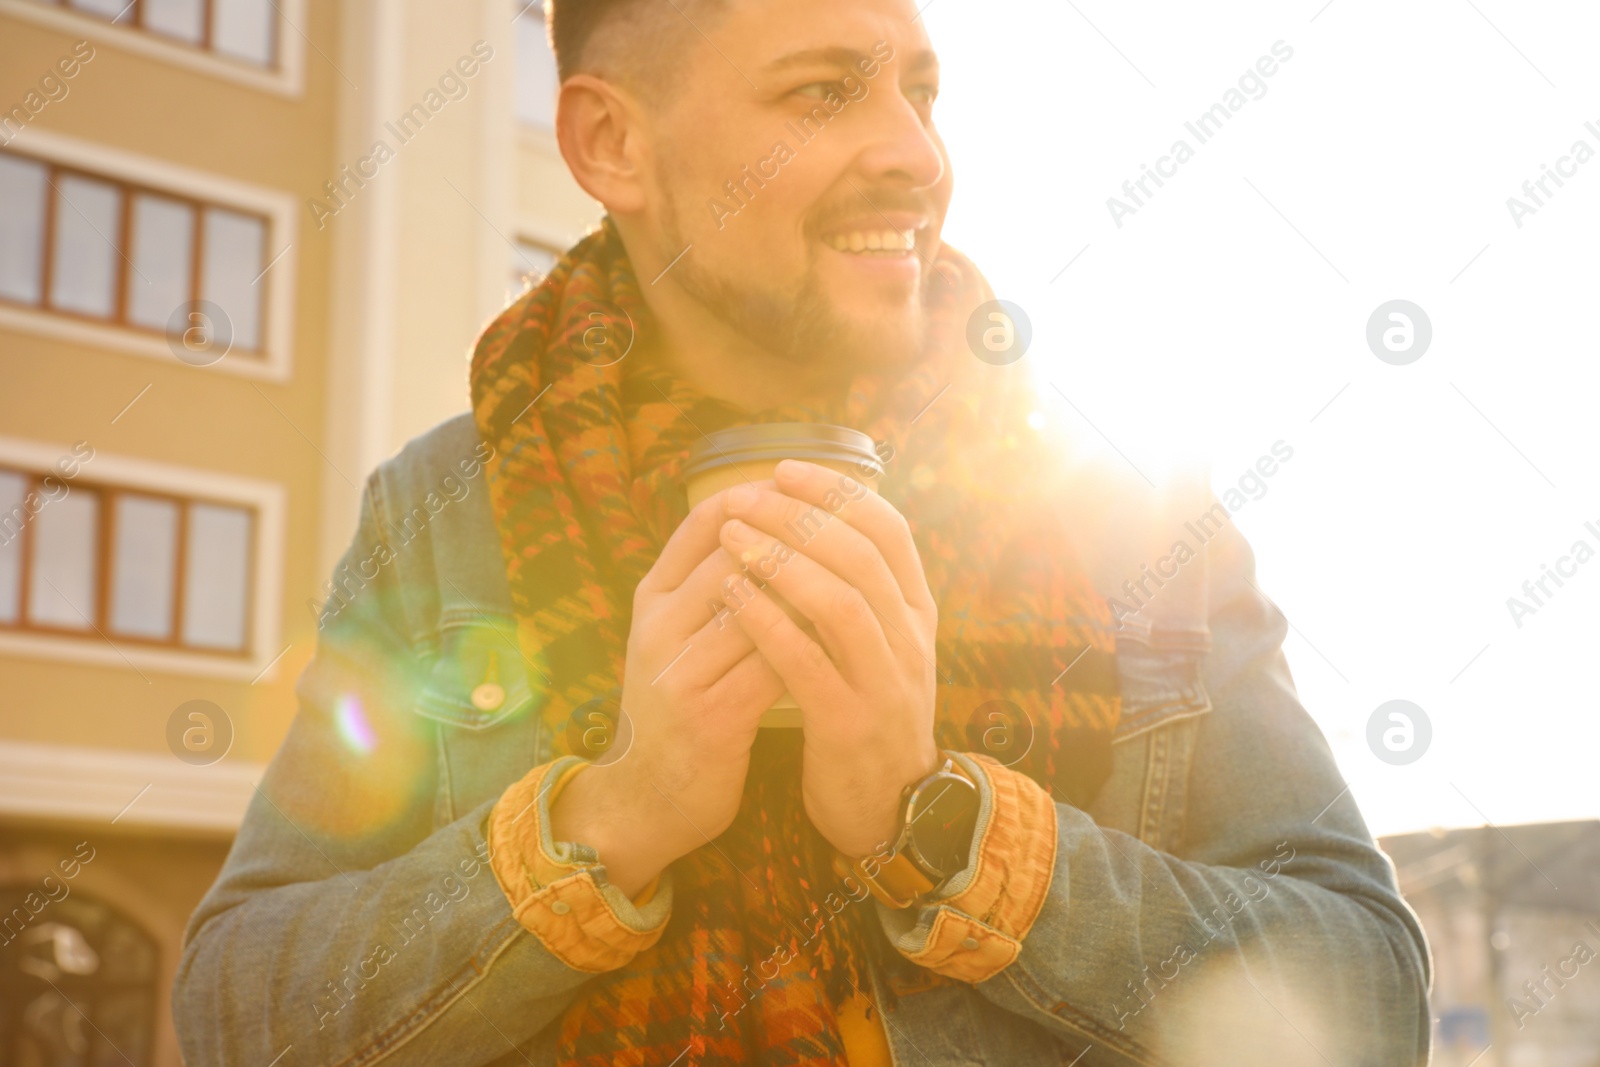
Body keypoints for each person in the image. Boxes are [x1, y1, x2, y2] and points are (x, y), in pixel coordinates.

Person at [173, 0, 1432, 1063]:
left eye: (923, 94)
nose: (917, 156)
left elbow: (1368, 998)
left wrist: (933, 824)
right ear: (611, 143)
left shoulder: (1129, 505)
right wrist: (610, 820)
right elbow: (236, 1003)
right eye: (824, 94)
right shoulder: (439, 512)